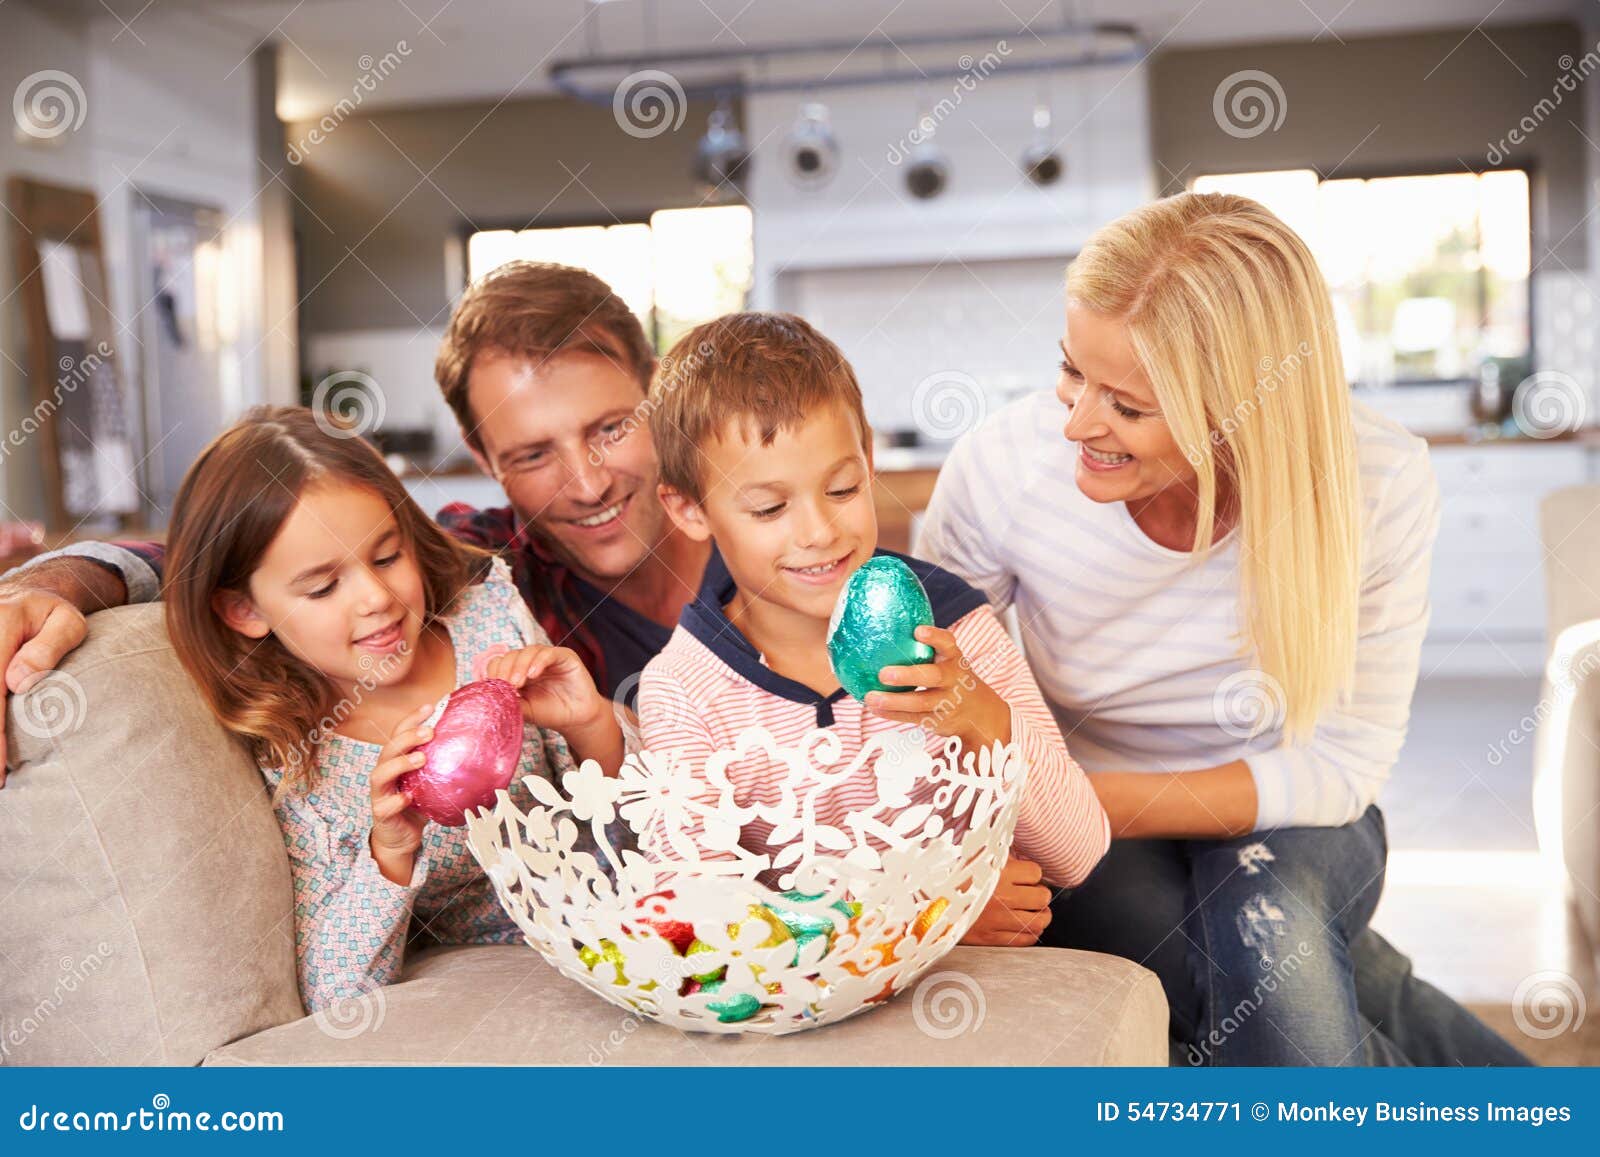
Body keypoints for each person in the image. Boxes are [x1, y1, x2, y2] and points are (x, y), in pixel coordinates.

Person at [0, 261, 1050, 949]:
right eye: (532, 455)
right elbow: (244, 551)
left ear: (661, 398)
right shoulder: (480, 572)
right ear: (485, 463)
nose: (585, 483)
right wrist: (65, 576)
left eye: (608, 428)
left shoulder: (800, 546)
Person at [915, 190, 1528, 1066]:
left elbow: (1341, 764)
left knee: (1271, 940)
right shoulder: (1001, 469)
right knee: (1278, 988)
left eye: (1126, 405)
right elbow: (935, 711)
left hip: (1292, 806)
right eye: (1070, 370)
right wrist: (1022, 826)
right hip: (1089, 824)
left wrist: (1076, 798)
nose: (1077, 422)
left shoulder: (1378, 481)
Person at [160, 406, 624, 1012]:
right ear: (244, 610)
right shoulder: (300, 757)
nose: (377, 599)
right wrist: (392, 851)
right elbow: (336, 993)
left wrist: (590, 723)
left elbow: (626, 828)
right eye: (324, 587)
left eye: (386, 557)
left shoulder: (489, 620)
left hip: (619, 912)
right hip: (510, 978)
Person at [635, 312, 1109, 885]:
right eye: (769, 509)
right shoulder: (685, 691)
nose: (819, 532)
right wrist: (926, 910)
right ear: (689, 510)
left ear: (869, 461)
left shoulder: (951, 626)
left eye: (842, 489)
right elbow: (695, 916)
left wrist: (979, 713)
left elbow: (1078, 854)